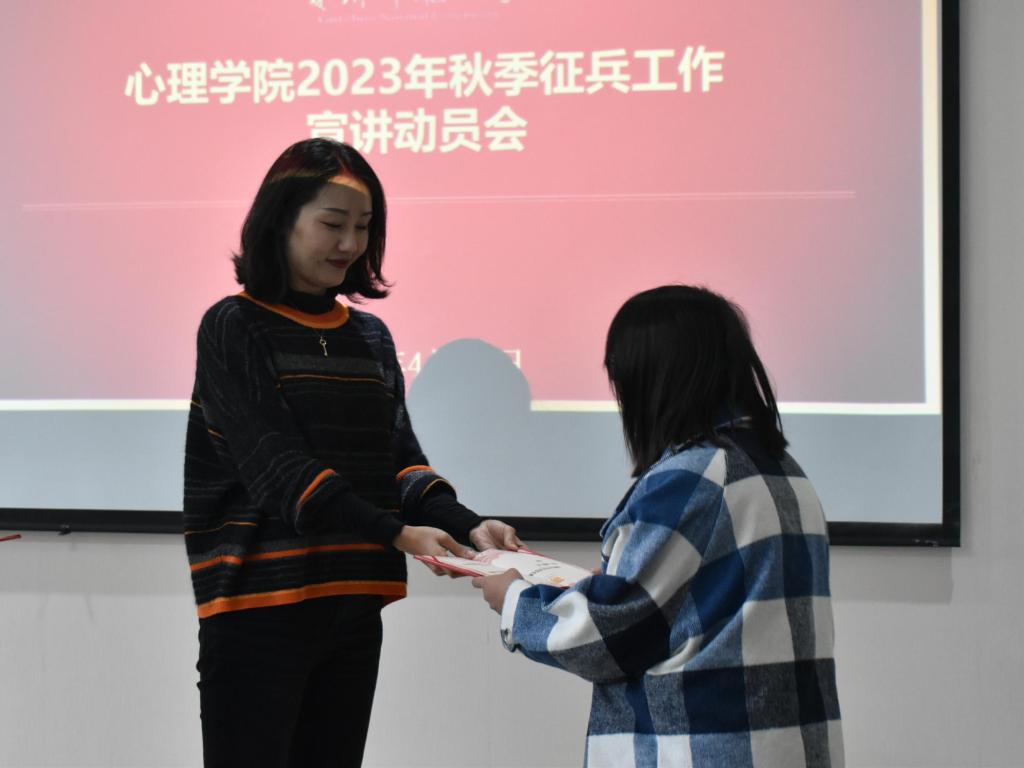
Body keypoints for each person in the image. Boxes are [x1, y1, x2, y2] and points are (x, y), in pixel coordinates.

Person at [183, 137, 521, 768]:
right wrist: (396, 534)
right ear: (281, 221)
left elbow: (401, 462)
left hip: (352, 607)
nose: (350, 243)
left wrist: (469, 526)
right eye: (333, 224)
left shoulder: (369, 335)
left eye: (363, 227)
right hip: (258, 610)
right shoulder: (234, 325)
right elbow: (279, 471)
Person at [473, 285, 843, 768]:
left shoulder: (688, 479)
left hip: (706, 749)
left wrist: (514, 600)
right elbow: (689, 600)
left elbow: (610, 636)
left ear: (652, 379)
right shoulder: (784, 471)